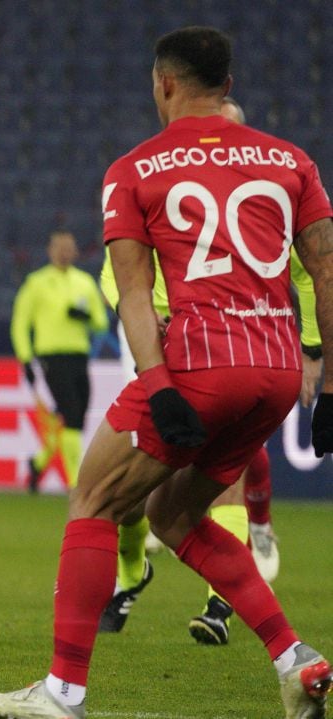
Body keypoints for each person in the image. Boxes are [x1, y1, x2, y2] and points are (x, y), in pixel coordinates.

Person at [0, 26, 333, 718]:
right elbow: (325, 271)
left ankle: (63, 692)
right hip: (278, 371)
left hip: (200, 362)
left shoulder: (136, 169)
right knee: (175, 513)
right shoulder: (294, 162)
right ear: (227, 86)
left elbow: (134, 293)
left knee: (94, 500)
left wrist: (159, 384)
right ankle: (297, 659)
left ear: (162, 84)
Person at [97, 95, 321, 645]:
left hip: (227, 352)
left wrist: (312, 347)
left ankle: (221, 604)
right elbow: (120, 280)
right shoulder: (161, 192)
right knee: (124, 504)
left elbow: (311, 271)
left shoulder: (261, 205)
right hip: (164, 351)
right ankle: (131, 571)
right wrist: (163, 327)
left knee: (226, 478)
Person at [10, 229, 109, 491]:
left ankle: (38, 463)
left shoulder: (85, 282)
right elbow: (21, 323)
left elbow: (100, 322)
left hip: (79, 356)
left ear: (75, 252)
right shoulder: (36, 283)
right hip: (51, 358)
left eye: (68, 248)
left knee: (74, 416)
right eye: (59, 248)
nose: (64, 252)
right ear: (50, 251)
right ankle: (76, 483)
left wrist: (84, 317)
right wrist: (25, 359)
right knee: (72, 414)